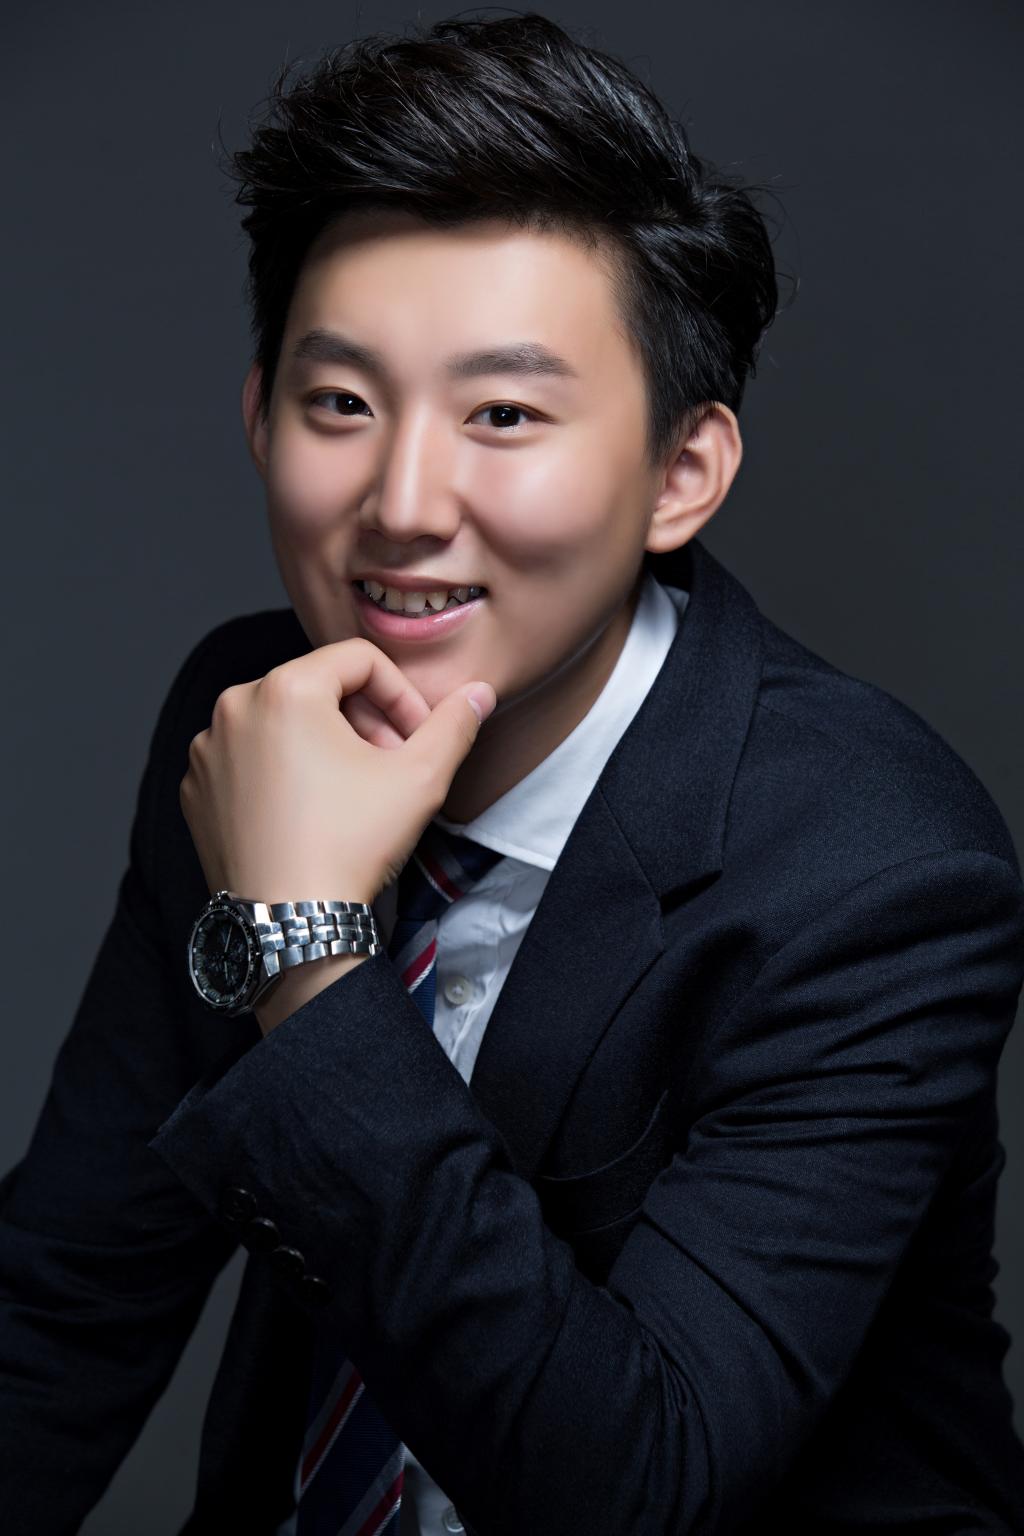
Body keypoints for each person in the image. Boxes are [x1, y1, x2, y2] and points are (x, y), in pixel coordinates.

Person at [2, 11, 1022, 1535]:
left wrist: (306, 950)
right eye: (341, 404)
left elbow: (634, 1485)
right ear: (259, 415)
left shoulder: (879, 869)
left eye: (503, 416)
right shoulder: (249, 720)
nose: (404, 503)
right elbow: (68, 1301)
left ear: (682, 473)